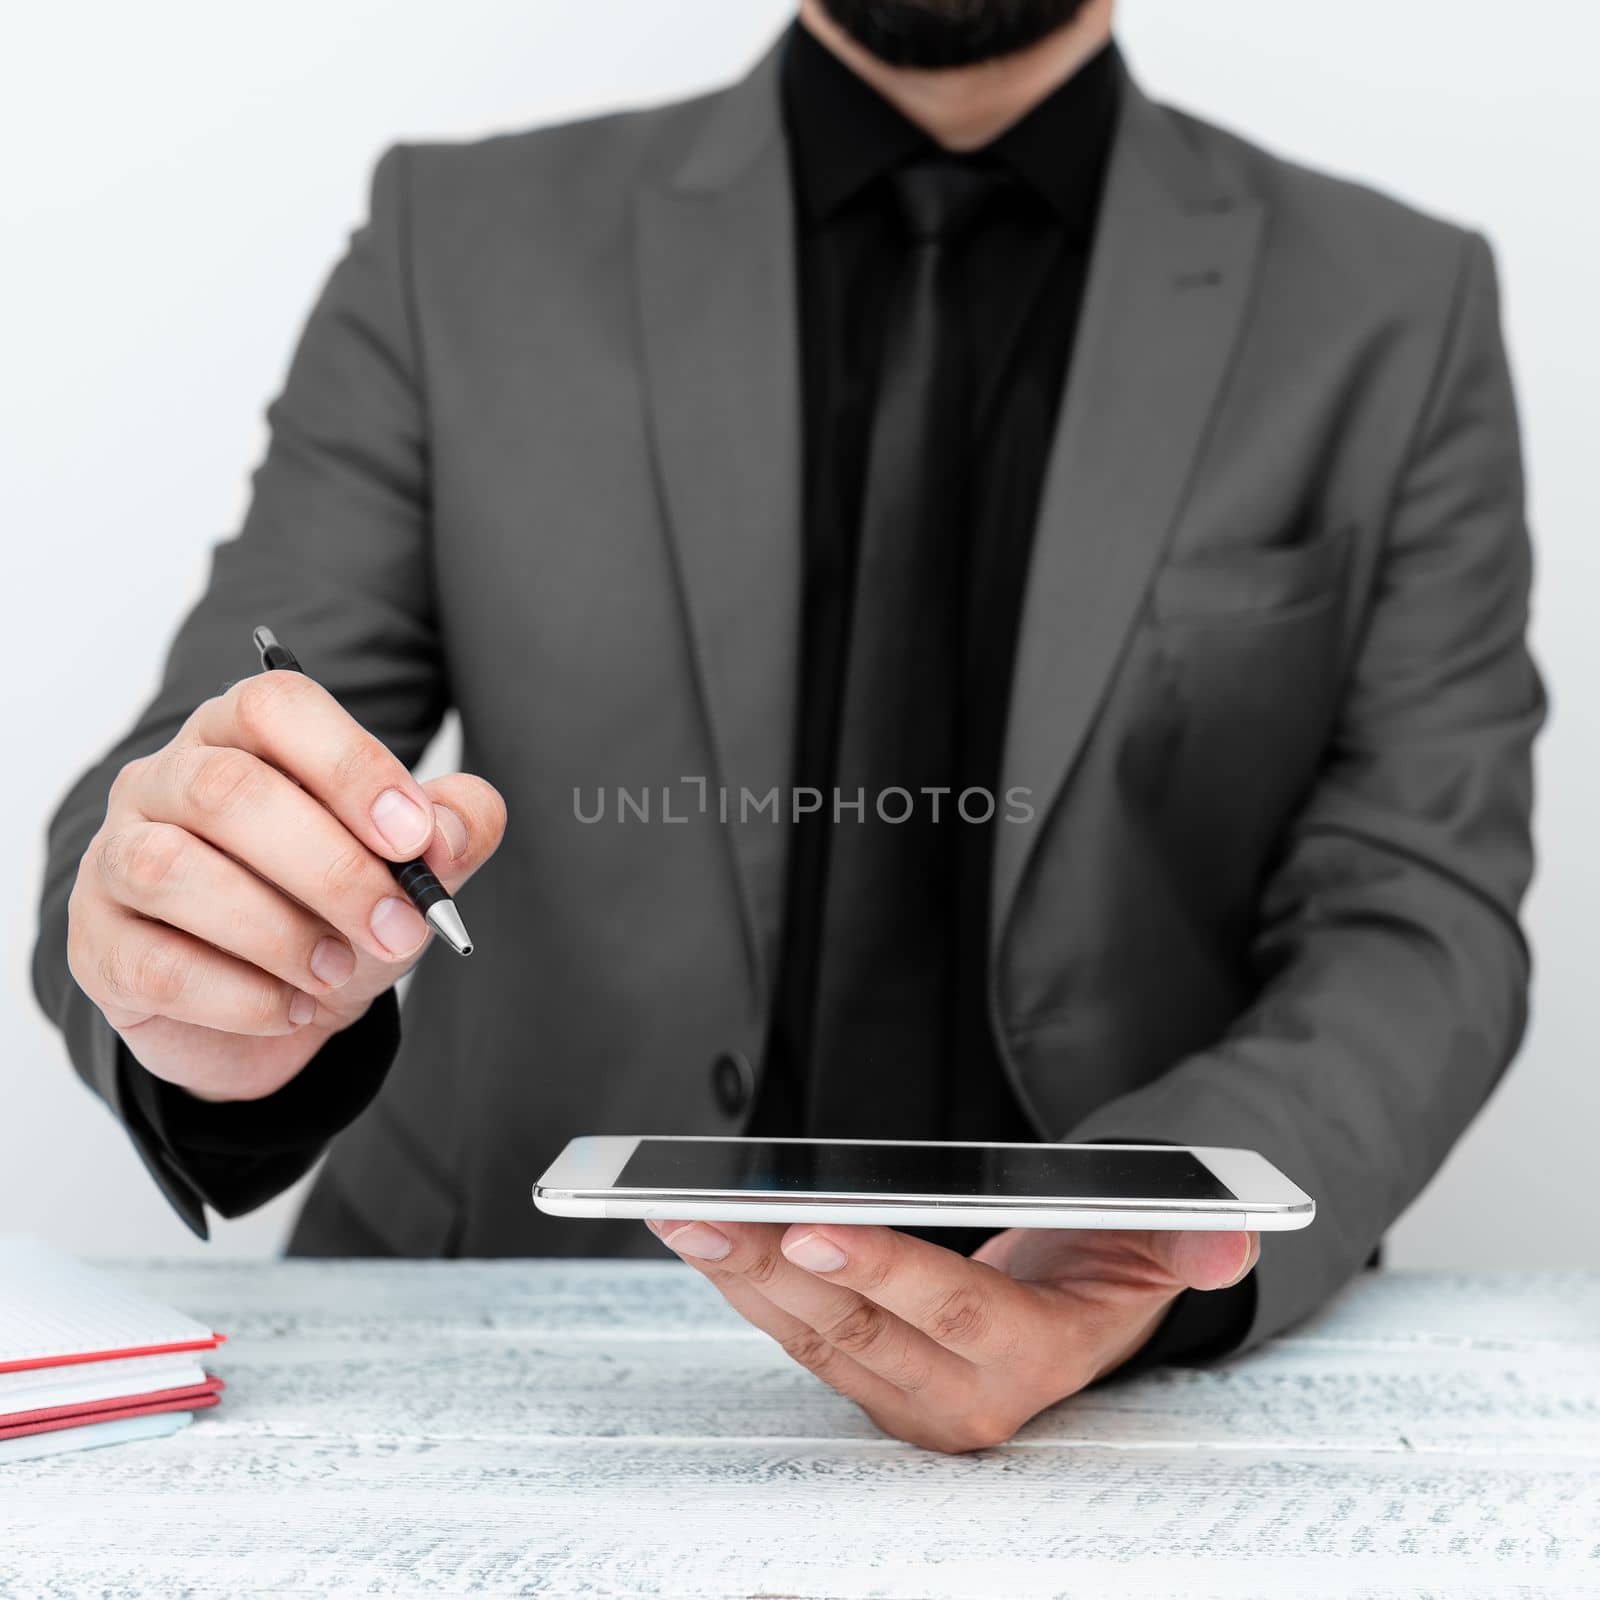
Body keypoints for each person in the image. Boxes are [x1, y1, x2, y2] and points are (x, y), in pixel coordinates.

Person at [34, 0, 1541, 1453]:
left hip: (1134, 1401)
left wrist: (1151, 1247)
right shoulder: (457, 242)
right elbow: (217, 759)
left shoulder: (1396, 307)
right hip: (506, 1364)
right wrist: (212, 978)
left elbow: (1419, 902)